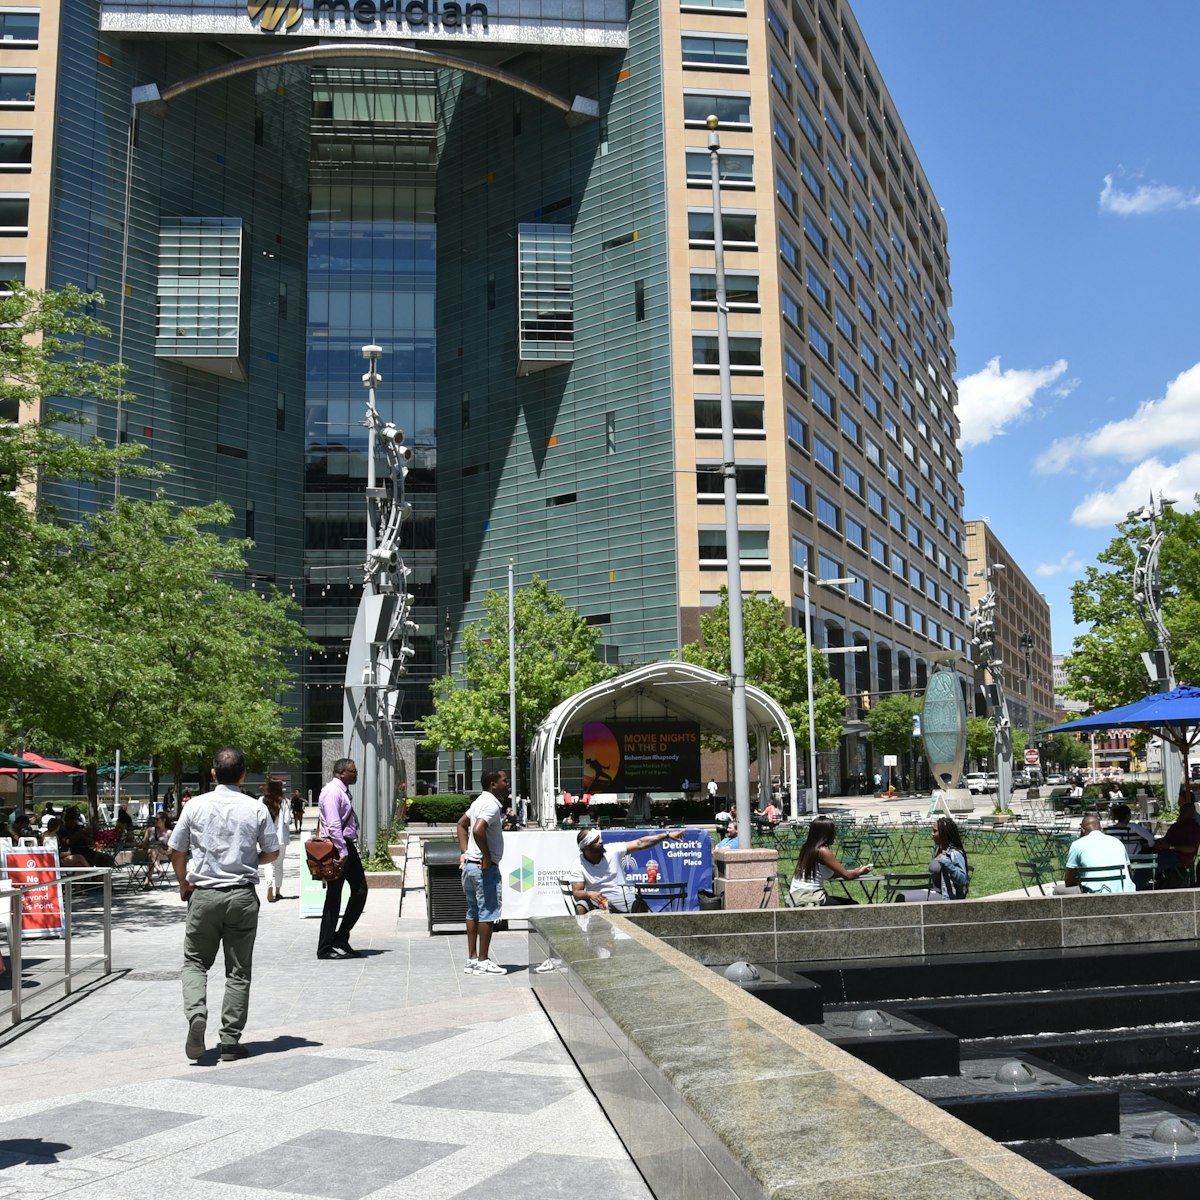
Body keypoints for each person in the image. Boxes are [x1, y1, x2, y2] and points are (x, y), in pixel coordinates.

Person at [168, 746, 279, 1062]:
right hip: (242, 896)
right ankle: (230, 1040)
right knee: (239, 971)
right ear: (243, 774)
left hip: (204, 894)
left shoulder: (195, 806)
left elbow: (176, 849)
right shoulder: (255, 808)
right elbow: (272, 853)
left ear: (213, 773)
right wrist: (248, 860)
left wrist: (183, 882)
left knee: (195, 962)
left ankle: (196, 1015)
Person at [456, 768, 510, 975]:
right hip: (482, 867)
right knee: (488, 912)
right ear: (493, 784)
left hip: (470, 865)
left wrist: (465, 852)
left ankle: (472, 959)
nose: (508, 784)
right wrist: (486, 857)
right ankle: (484, 960)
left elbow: (461, 824)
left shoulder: (479, 801)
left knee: (473, 911)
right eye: (504, 781)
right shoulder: (490, 805)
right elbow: (477, 830)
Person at [316, 759, 369, 959]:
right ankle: (325, 946)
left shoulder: (341, 791)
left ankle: (340, 937)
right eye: (353, 771)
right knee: (335, 895)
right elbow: (333, 825)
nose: (356, 774)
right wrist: (342, 852)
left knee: (359, 890)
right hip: (340, 847)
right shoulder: (332, 792)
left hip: (345, 846)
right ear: (341, 773)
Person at [569, 827, 686, 912]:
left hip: (622, 896)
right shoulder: (578, 864)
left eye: (599, 838)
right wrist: (589, 894)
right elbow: (577, 893)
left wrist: (666, 835)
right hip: (597, 900)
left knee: (639, 904)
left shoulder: (612, 850)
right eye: (596, 841)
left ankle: (644, 939)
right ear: (586, 847)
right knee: (580, 907)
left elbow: (640, 843)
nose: (601, 841)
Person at [789, 817, 873, 906]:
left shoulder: (807, 848)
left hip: (797, 895)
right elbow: (847, 876)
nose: (835, 835)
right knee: (853, 906)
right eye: (833, 832)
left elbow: (827, 873)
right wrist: (861, 871)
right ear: (826, 834)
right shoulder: (822, 851)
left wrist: (854, 871)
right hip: (809, 897)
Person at [1063, 815, 1134, 893]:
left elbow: (1069, 882)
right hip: (1123, 892)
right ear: (1101, 828)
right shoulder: (1117, 842)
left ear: (1082, 830)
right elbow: (1129, 873)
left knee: (1057, 891)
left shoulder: (1077, 845)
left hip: (1091, 894)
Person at [1154, 800, 1200, 880]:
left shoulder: (1193, 828)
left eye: (1185, 811)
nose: (1181, 814)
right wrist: (1159, 843)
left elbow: (1191, 849)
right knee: (1148, 855)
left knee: (1153, 862)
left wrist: (1170, 847)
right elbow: (1166, 839)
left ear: (1192, 813)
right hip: (1167, 852)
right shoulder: (1176, 826)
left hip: (1180, 857)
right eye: (1181, 811)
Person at [262, 780, 290, 902]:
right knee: (279, 865)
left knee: (268, 863)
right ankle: (278, 891)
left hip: (267, 837)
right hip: (281, 838)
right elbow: (287, 820)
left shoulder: (262, 801)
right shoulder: (284, 802)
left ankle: (269, 884)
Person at [927, 817, 969, 899]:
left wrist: (946, 862)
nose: (932, 834)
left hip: (945, 897)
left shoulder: (955, 854)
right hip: (934, 892)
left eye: (935, 831)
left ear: (943, 834)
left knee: (902, 898)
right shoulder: (938, 849)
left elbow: (962, 880)